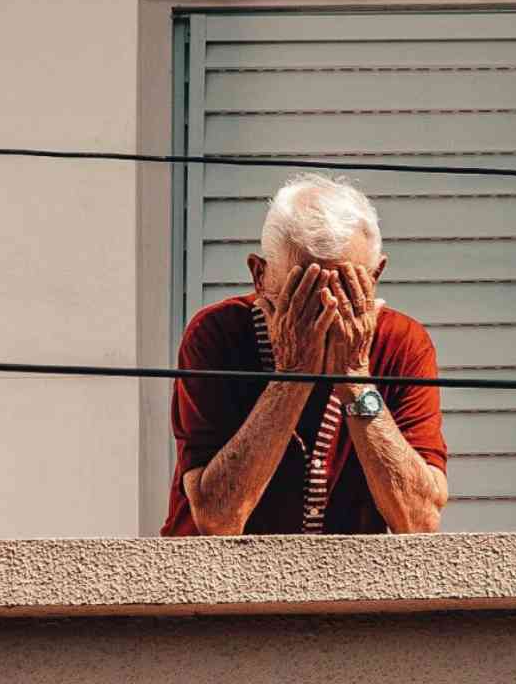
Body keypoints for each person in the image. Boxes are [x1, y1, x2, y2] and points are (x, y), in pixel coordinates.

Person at [161, 173, 448, 535]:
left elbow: (419, 519)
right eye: (302, 295)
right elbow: (218, 518)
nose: (323, 313)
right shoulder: (216, 334)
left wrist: (356, 380)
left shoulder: (402, 342)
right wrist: (292, 376)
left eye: (344, 291)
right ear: (260, 275)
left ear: (374, 278)